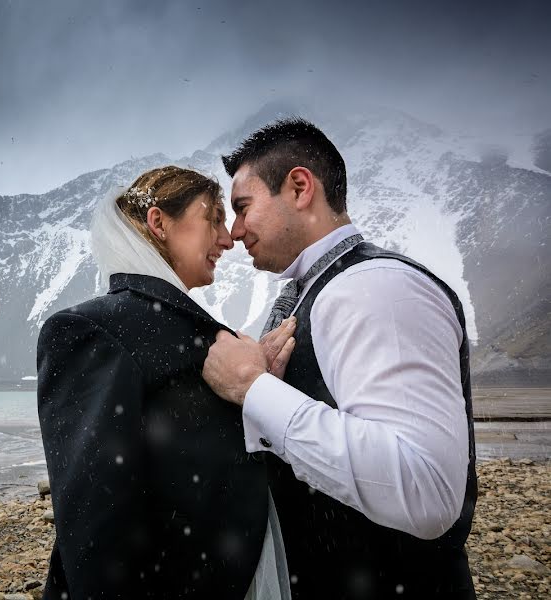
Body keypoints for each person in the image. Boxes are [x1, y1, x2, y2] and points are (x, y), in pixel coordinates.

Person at [202, 118, 477, 599]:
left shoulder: (378, 289)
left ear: (300, 187)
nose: (235, 230)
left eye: (243, 207)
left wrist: (254, 390)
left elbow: (427, 491)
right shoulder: (319, 290)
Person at [37, 166, 294, 599]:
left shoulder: (192, 329)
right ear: (159, 223)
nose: (227, 238)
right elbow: (93, 516)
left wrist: (256, 390)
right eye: (213, 217)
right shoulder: (91, 330)